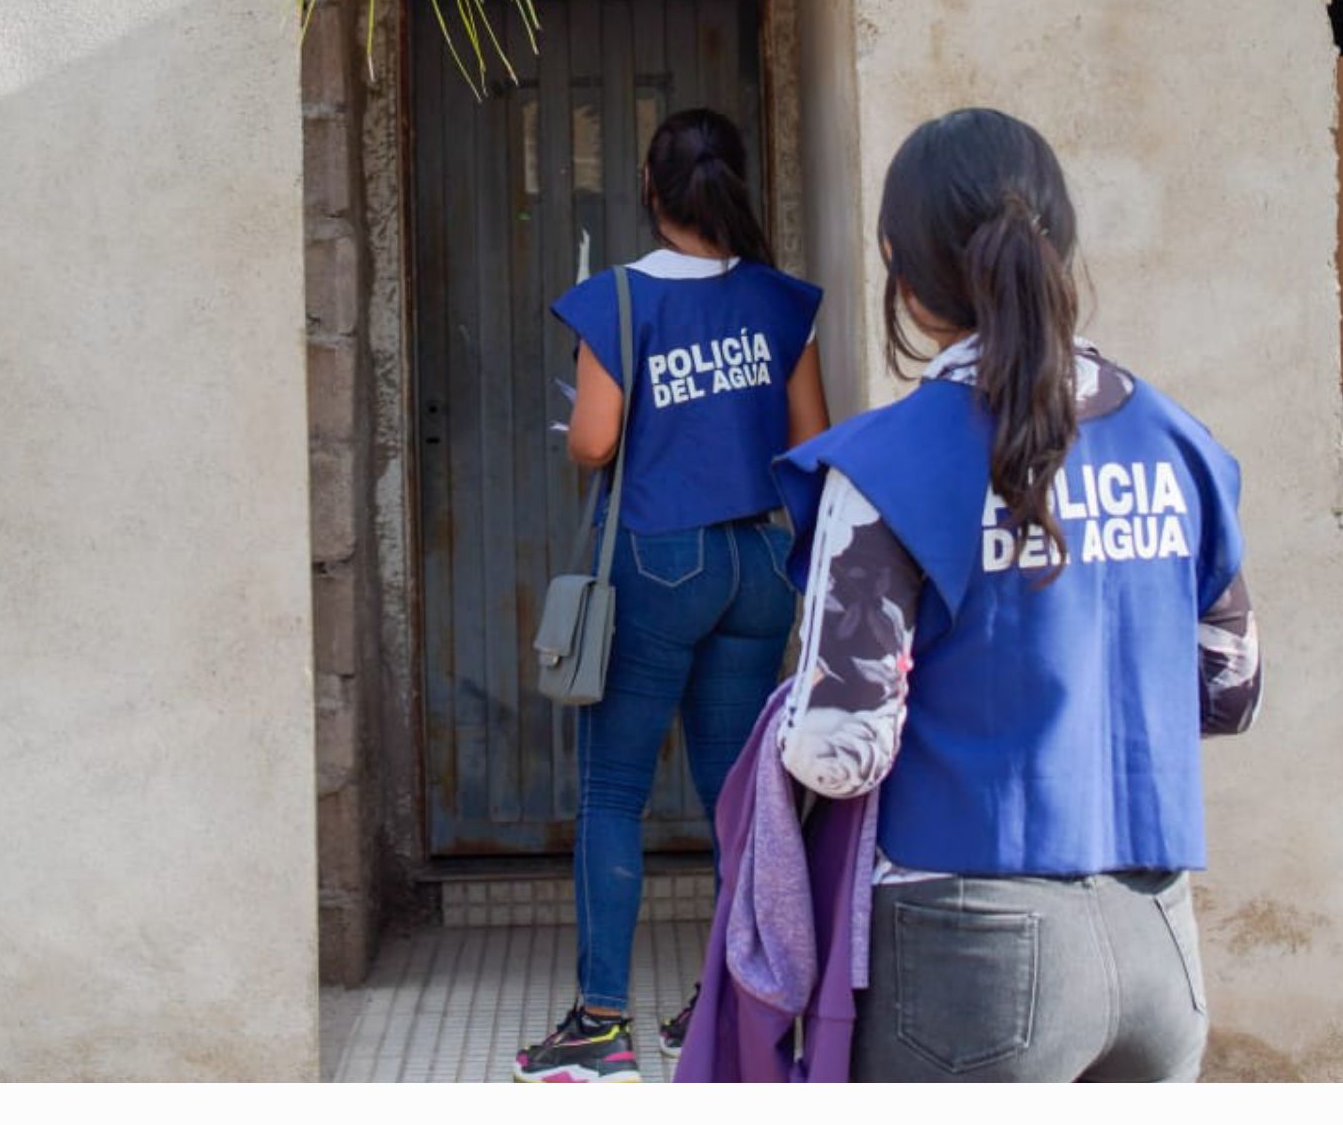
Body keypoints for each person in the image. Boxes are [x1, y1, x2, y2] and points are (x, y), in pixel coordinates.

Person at [773, 109, 1261, 1084]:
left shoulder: (885, 467)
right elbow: (1229, 690)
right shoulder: (1183, 447)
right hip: (1158, 937)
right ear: (1061, 245)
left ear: (898, 269)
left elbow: (840, 755)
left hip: (972, 955)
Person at [513, 109, 832, 1082]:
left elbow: (596, 443)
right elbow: (810, 440)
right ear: (733, 184)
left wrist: (589, 414)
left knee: (614, 789)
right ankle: (728, 1006)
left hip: (661, 561)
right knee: (736, 799)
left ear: (652, 192)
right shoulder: (783, 302)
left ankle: (602, 1023)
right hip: (759, 566)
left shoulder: (617, 299)